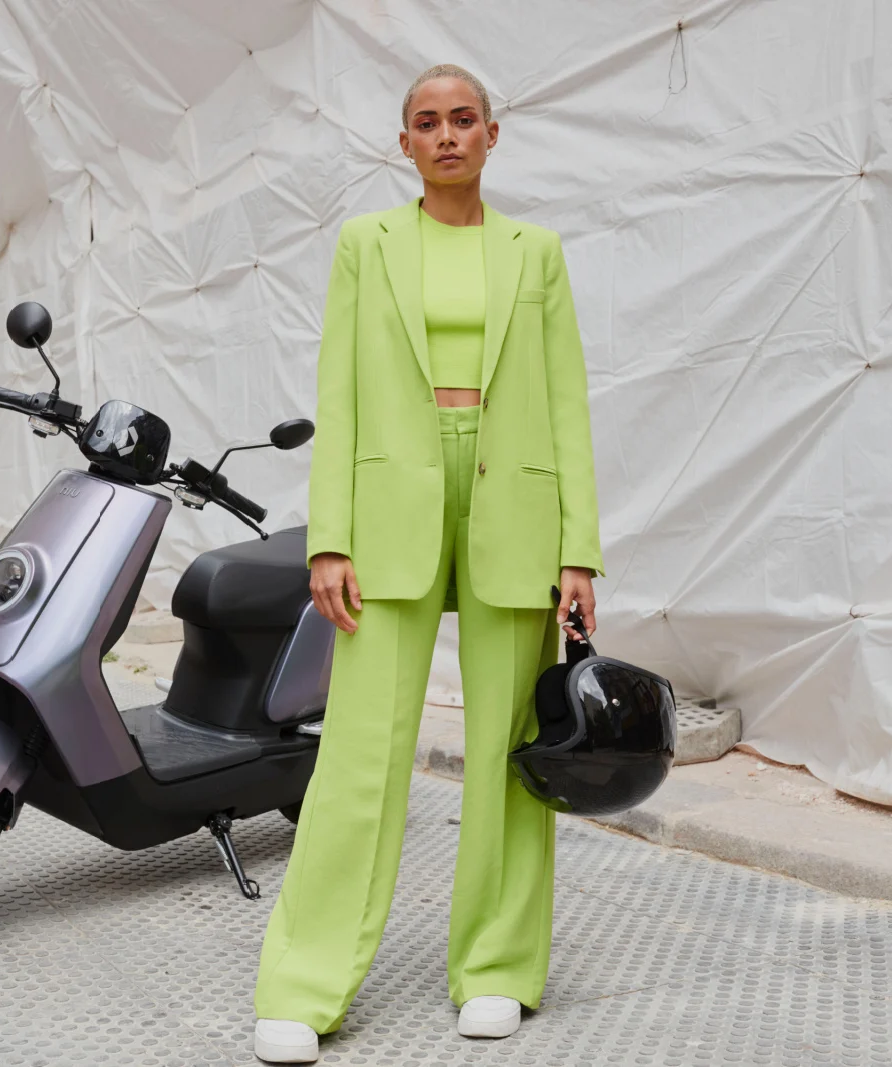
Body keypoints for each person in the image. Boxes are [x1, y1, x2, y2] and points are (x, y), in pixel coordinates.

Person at [252, 63, 605, 1064]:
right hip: (391, 503)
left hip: (514, 502)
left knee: (506, 749)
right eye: (425, 122)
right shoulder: (366, 245)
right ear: (401, 143)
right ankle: (305, 977)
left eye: (462, 119)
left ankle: (495, 967)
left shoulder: (536, 253)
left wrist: (578, 544)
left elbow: (567, 399)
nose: (445, 135)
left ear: (493, 134)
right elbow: (342, 388)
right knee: (360, 754)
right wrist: (330, 535)